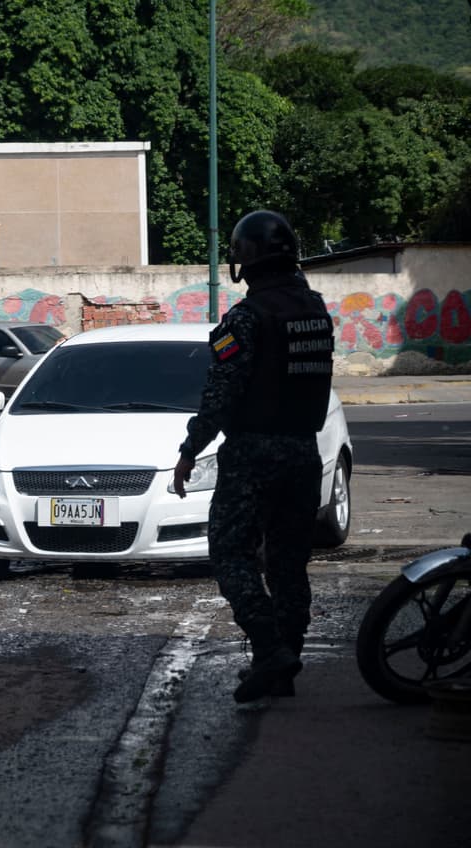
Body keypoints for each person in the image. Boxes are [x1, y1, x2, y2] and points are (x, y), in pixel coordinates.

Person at [172, 209, 334, 704]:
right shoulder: (317, 312)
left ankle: (268, 650)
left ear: (244, 261)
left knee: (229, 551)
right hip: (304, 451)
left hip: (253, 455)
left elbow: (221, 397)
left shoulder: (245, 318)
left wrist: (188, 451)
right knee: (288, 564)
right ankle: (284, 666)